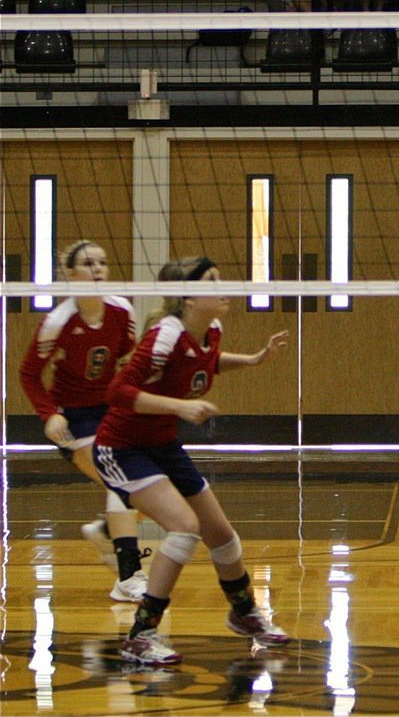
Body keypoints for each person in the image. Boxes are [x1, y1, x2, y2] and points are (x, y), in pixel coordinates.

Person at [92, 256, 290, 665]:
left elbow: (207, 361)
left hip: (163, 446)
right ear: (188, 296)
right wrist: (179, 407)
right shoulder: (164, 334)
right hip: (122, 447)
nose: (224, 287)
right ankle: (141, 635)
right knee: (184, 529)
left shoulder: (211, 329)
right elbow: (117, 391)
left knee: (222, 535)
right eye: (213, 281)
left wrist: (253, 360)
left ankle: (244, 613)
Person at [19, 240, 149, 603]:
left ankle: (105, 529)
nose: (98, 269)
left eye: (103, 263)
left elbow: (128, 356)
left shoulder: (122, 311)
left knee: (145, 486)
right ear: (70, 274)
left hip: (109, 411)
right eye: (89, 263)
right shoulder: (58, 322)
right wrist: (49, 415)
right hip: (74, 419)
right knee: (122, 480)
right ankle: (128, 576)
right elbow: (29, 374)